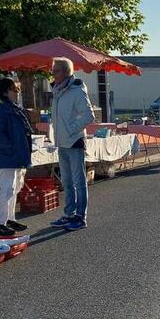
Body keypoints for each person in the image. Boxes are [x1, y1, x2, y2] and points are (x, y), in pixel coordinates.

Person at [50, 57, 95, 230]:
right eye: (52, 70)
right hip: (62, 142)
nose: (52, 74)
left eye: (56, 70)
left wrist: (71, 129)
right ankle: (68, 214)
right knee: (67, 181)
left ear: (65, 72)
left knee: (79, 181)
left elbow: (89, 115)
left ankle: (80, 217)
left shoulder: (76, 91)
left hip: (74, 141)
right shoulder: (57, 91)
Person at [0, 77, 32, 237]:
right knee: (6, 189)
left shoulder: (12, 107)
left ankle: (9, 219)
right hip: (7, 155)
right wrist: (12, 148)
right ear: (6, 91)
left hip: (15, 154)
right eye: (15, 90)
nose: (17, 93)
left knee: (15, 187)